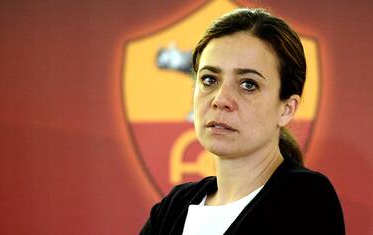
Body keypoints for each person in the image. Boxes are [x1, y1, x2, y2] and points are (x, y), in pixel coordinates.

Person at [140, 8, 345, 235]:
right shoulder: (173, 207)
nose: (220, 100)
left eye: (248, 84)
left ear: (287, 109)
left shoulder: (306, 197)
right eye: (209, 79)